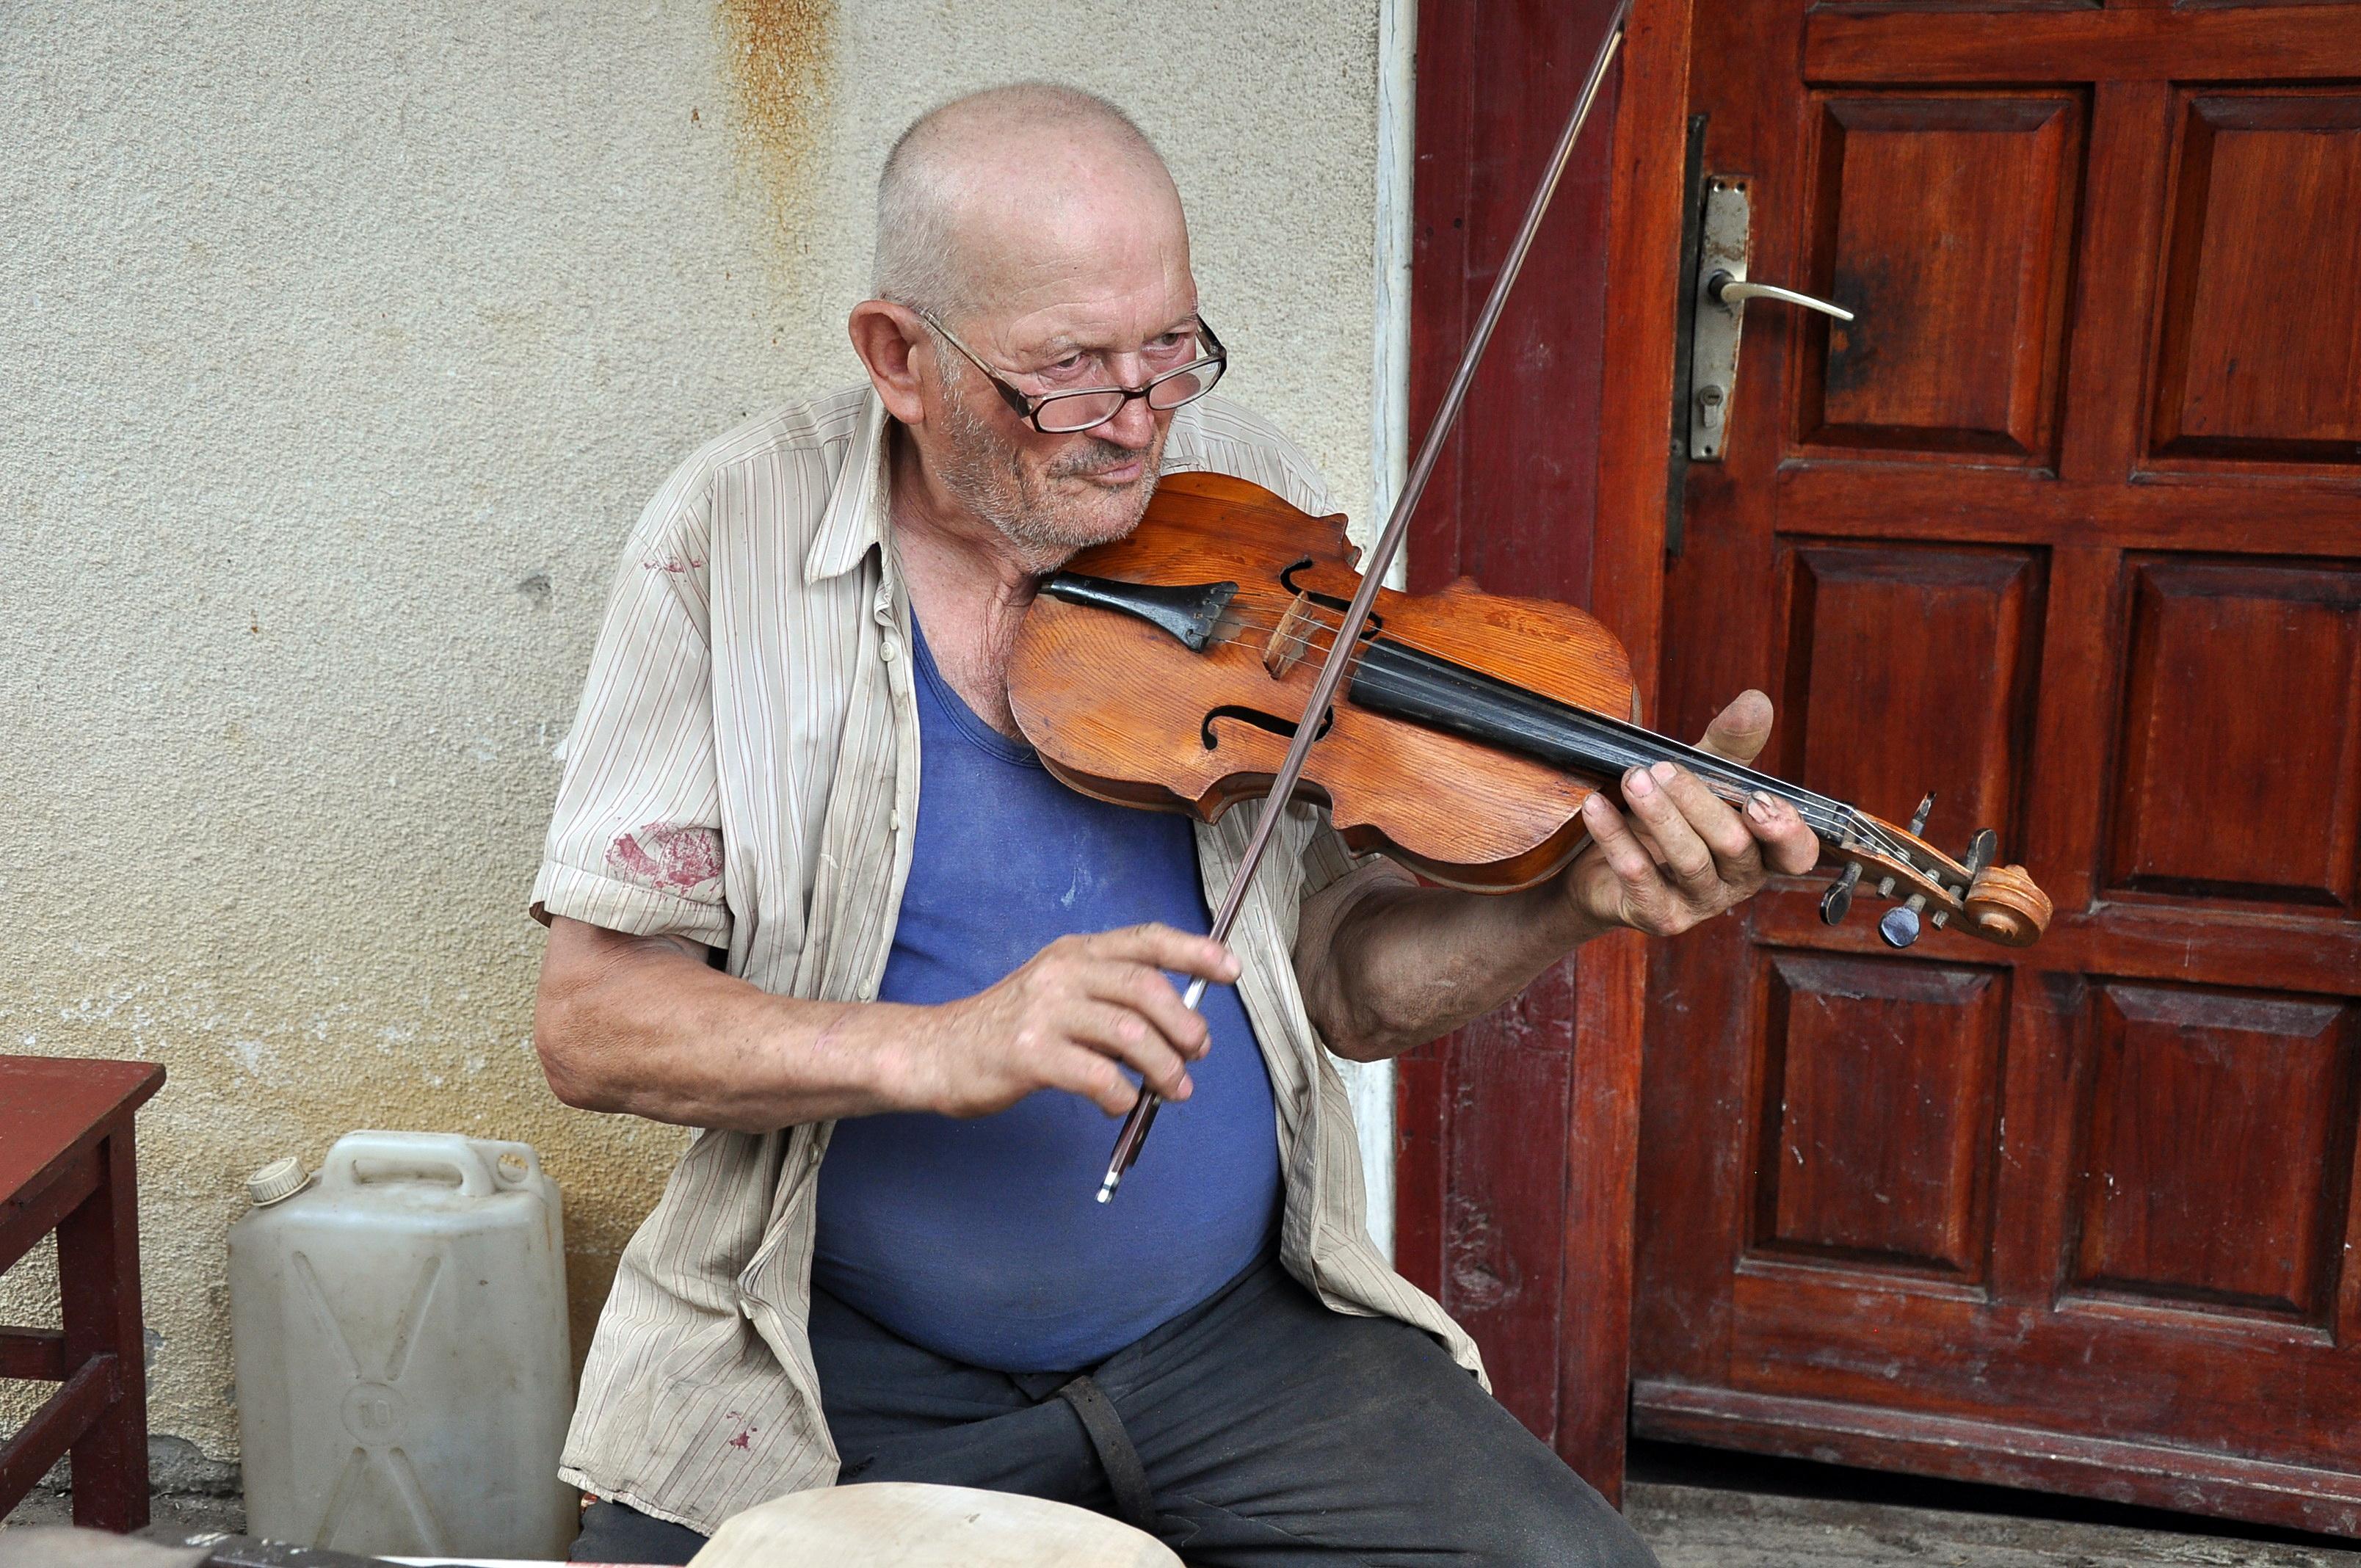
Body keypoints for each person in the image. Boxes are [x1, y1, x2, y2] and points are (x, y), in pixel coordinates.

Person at [531, 82, 1817, 1567]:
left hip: (1237, 1347)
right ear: (899, 355)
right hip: (831, 1355)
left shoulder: (1251, 504)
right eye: (1070, 373)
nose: (1141, 422)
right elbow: (595, 1023)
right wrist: (940, 1044)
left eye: (1170, 350)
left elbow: (1342, 984)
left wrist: (1565, 906)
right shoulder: (730, 536)